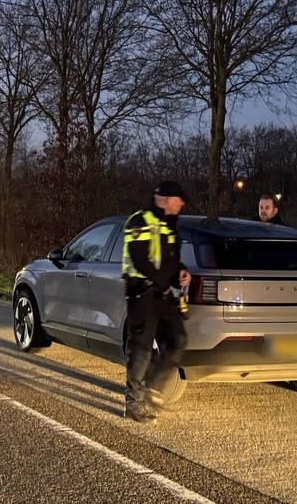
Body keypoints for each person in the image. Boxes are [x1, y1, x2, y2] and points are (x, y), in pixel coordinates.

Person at [121, 180, 191, 424]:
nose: (182, 204)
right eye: (179, 200)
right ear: (167, 200)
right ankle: (133, 404)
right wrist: (164, 283)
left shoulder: (169, 225)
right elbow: (140, 260)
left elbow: (170, 261)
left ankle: (153, 387)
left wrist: (180, 272)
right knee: (141, 349)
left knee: (178, 340)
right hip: (142, 295)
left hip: (164, 295)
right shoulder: (139, 221)